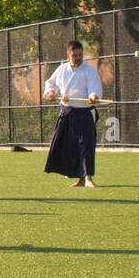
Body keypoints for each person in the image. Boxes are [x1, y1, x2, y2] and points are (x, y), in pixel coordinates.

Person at [43, 40, 102, 187]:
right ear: (68, 55)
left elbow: (94, 88)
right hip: (67, 112)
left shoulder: (89, 70)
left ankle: (88, 178)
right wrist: (50, 93)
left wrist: (93, 96)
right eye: (75, 55)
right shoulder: (62, 69)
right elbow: (50, 84)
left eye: (80, 55)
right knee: (70, 146)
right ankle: (79, 179)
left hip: (84, 112)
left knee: (86, 145)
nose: (78, 58)